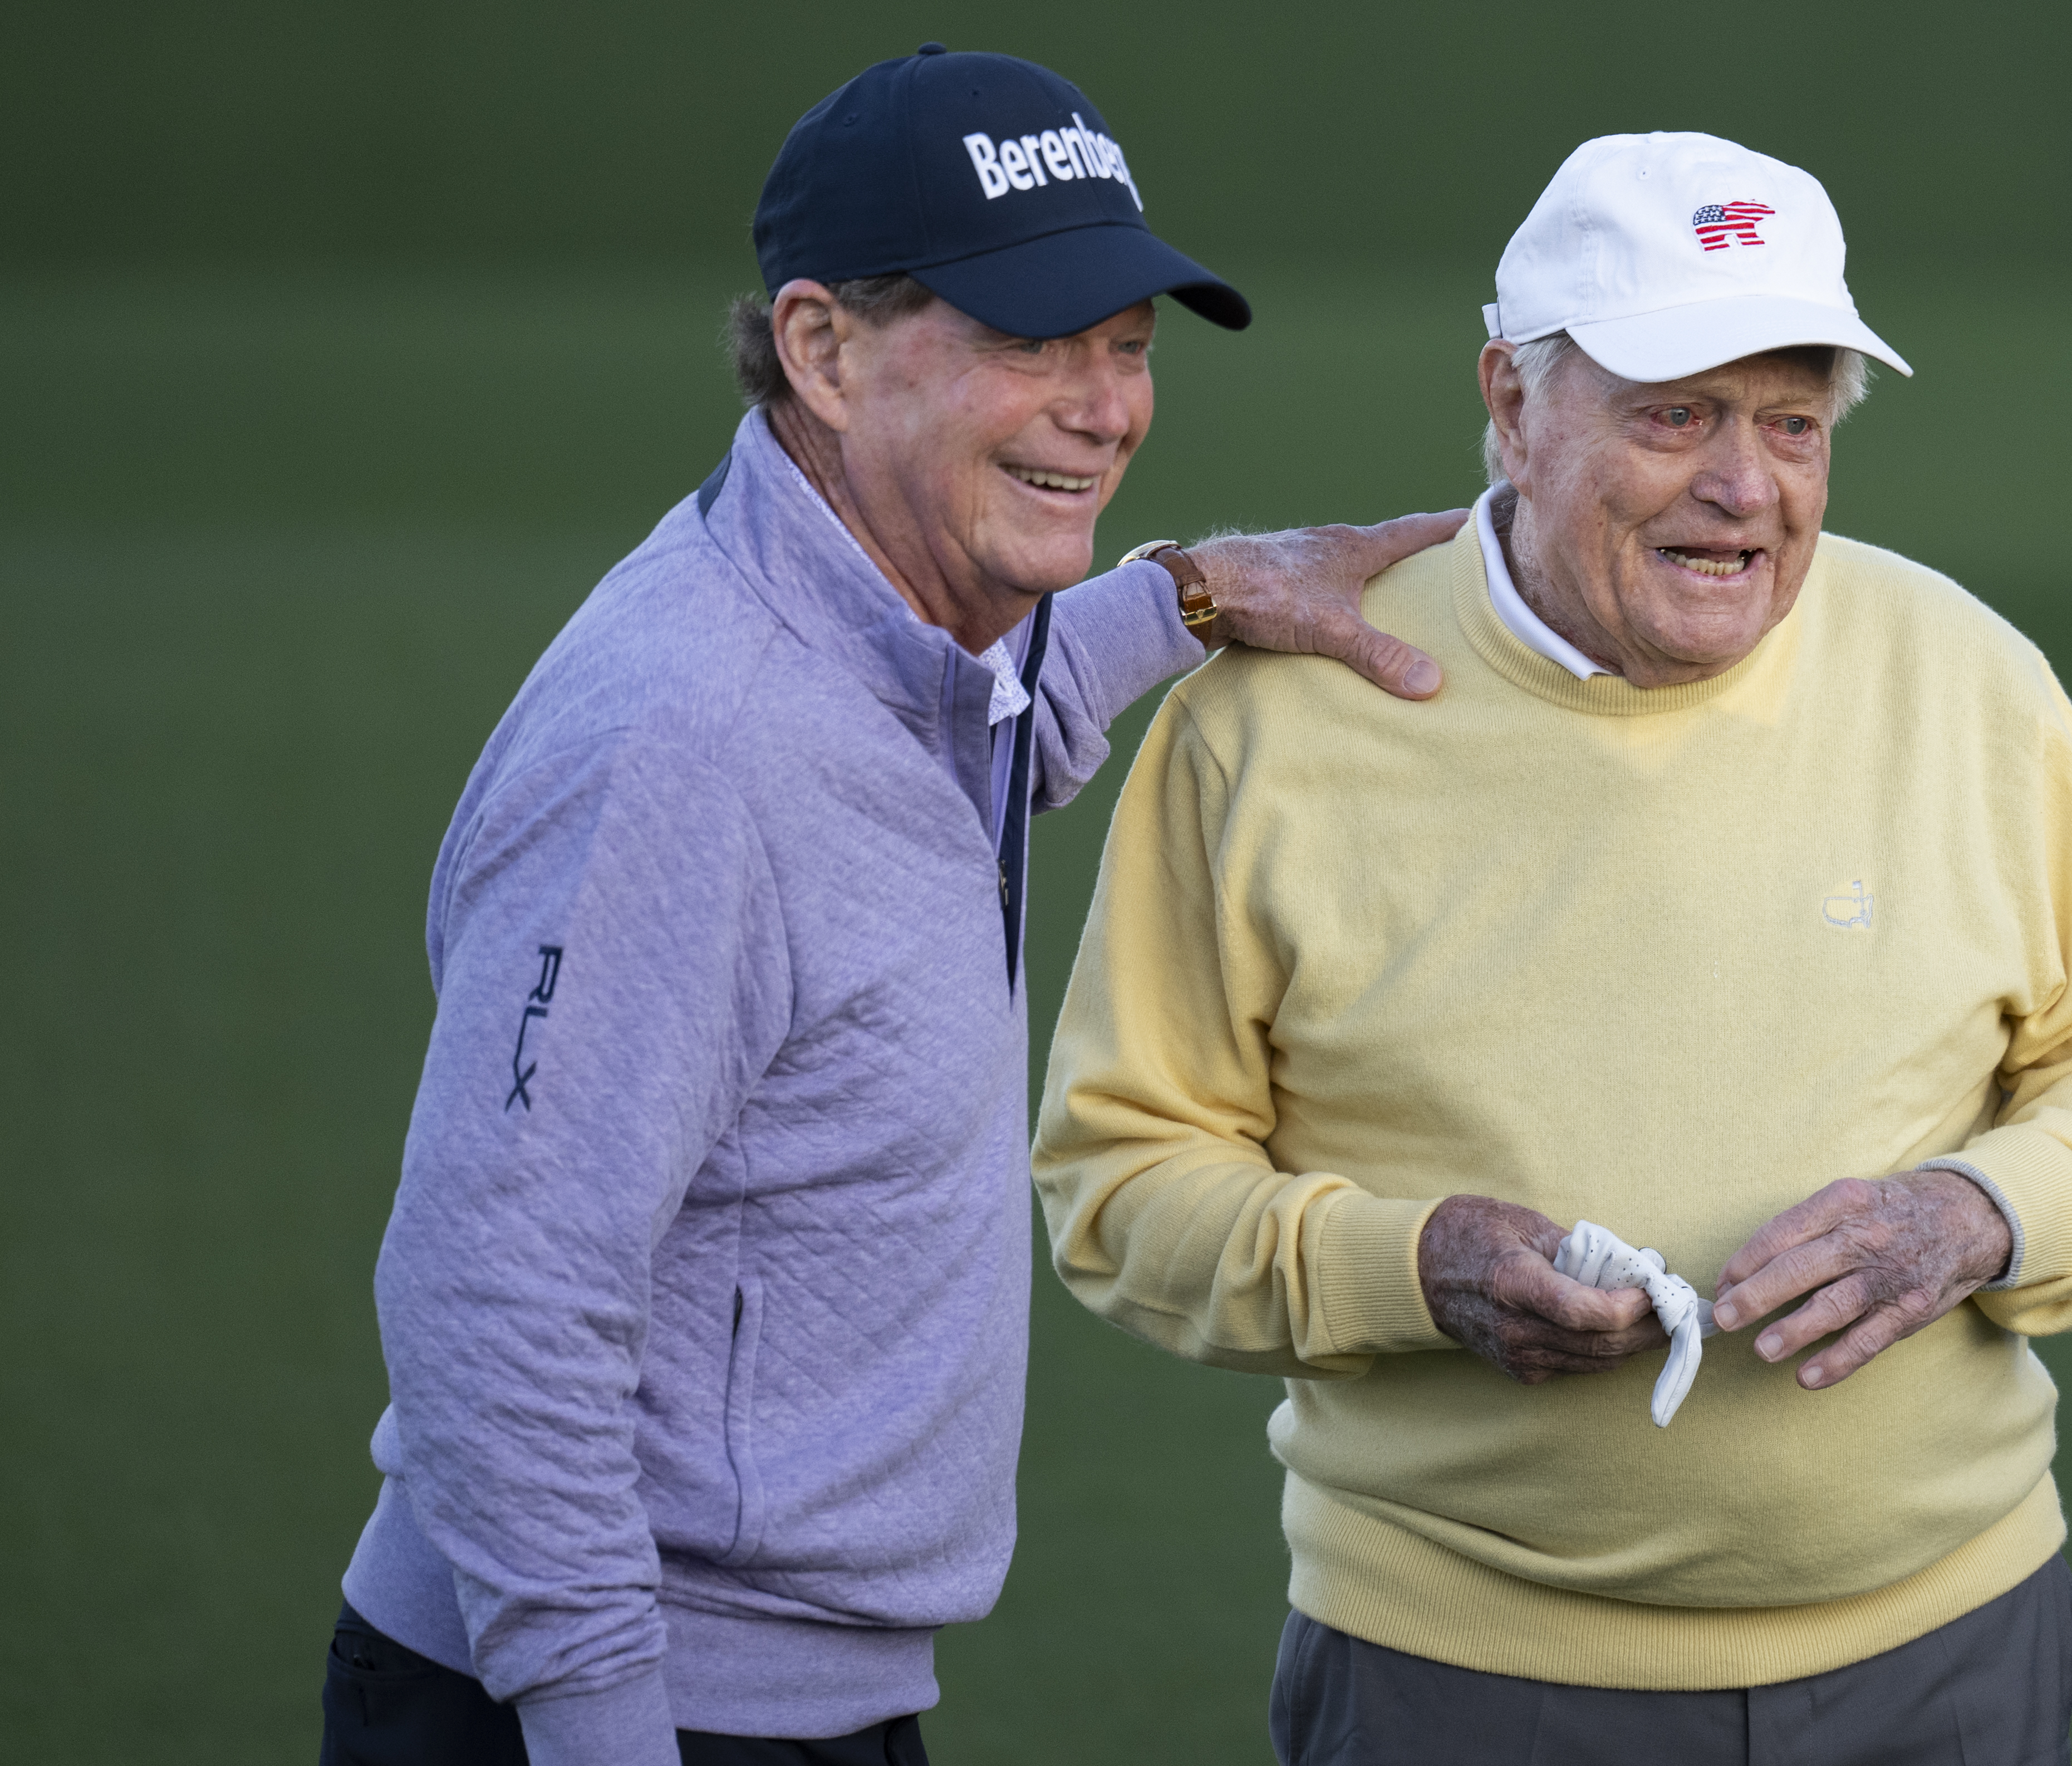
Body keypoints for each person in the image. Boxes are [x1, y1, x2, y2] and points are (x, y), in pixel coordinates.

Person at [1034, 133, 2072, 1764]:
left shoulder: (1964, 675)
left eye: (1792, 422)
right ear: (1513, 404)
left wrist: (1977, 1213)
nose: (1745, 487)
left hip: (1948, 1651)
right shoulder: (1268, 729)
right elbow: (1116, 1185)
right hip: (1455, 1676)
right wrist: (1411, 1267)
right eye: (1675, 412)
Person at [316, 46, 1460, 1766]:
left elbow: (942, 767)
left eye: (1126, 346)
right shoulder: (692, 741)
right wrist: (608, 1734)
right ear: (821, 350)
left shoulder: (903, 642)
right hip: (602, 1706)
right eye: (1026, 341)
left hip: (786, 1701)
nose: (1103, 405)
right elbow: (499, 1306)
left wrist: (1199, 593)